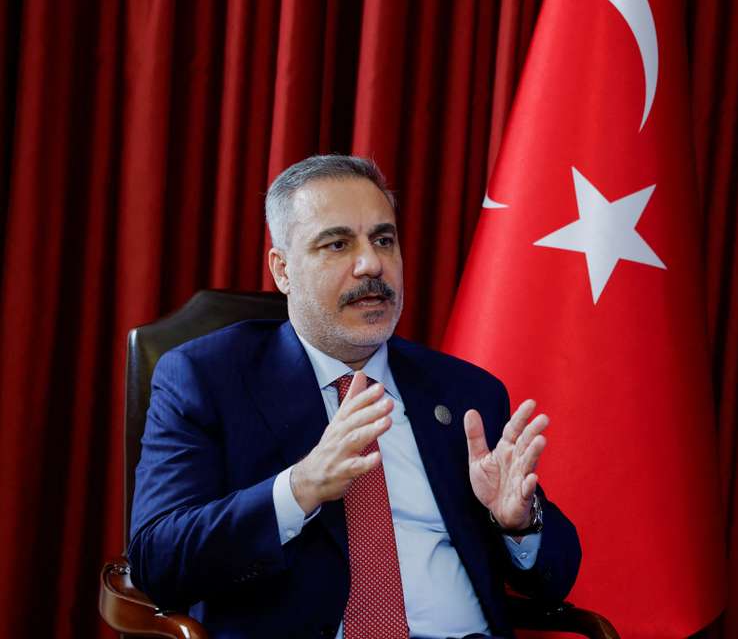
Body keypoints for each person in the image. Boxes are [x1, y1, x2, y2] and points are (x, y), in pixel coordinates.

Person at [128, 155, 580, 639]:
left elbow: (555, 577)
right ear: (282, 270)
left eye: (383, 240)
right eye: (338, 243)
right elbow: (159, 559)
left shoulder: (465, 392)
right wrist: (299, 488)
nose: (371, 264)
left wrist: (517, 523)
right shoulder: (207, 378)